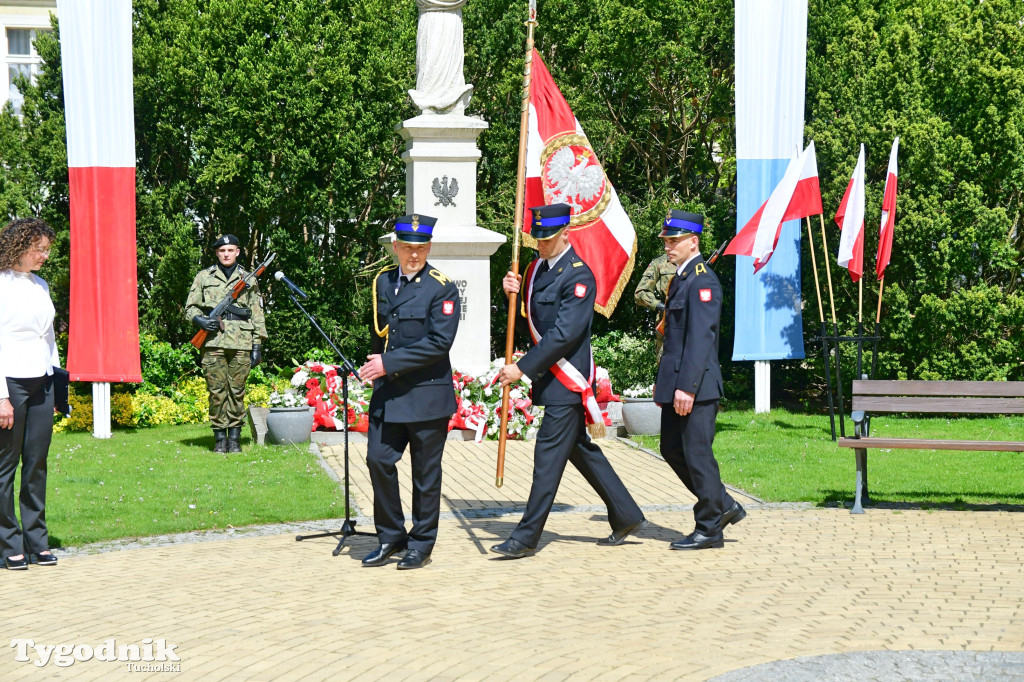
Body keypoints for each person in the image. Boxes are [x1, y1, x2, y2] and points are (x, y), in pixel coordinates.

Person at [490, 203, 646, 559]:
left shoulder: (579, 276)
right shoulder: (535, 271)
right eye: (538, 237)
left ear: (565, 234)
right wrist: (510, 290)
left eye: (547, 237)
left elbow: (563, 334)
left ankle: (526, 537)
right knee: (579, 449)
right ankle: (626, 514)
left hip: (567, 382)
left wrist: (522, 368)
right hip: (551, 380)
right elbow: (530, 314)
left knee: (546, 459)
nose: (541, 243)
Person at [358, 214, 460, 570]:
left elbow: (439, 342)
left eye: (420, 249)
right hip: (390, 395)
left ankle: (421, 544)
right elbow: (382, 335)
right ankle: (390, 536)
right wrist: (373, 365)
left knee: (425, 475)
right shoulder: (383, 282)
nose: (413, 255)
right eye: (407, 248)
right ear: (396, 248)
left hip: (427, 395)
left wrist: (389, 363)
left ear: (428, 248)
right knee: (378, 459)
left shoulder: (441, 287)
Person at [654, 209, 745, 551]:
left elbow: (700, 339)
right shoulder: (681, 278)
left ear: (694, 242)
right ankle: (722, 503)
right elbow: (676, 339)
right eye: (667, 240)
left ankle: (709, 527)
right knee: (671, 449)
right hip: (678, 382)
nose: (669, 245)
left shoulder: (702, 280)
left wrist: (686, 387)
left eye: (674, 240)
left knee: (697, 456)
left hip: (697, 386)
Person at [0, 218, 61, 570]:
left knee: (36, 465)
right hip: (9, 383)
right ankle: (8, 542)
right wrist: (1, 397)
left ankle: (37, 539)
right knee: (5, 467)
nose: (43, 255)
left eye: (46, 250)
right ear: (19, 246)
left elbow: (48, 337)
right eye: (38, 249)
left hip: (42, 383)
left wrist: (54, 384)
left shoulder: (41, 285)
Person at [185, 234, 267, 453]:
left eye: (230, 250)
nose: (226, 254)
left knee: (237, 391)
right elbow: (190, 307)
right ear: (217, 253)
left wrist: (257, 345)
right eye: (222, 251)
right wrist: (199, 319)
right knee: (217, 391)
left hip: (241, 342)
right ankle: (220, 438)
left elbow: (257, 314)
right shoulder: (204, 276)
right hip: (213, 342)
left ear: (238, 252)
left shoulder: (248, 279)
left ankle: (235, 438)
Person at [633, 252, 677, 356]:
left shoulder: (694, 263)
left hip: (691, 325)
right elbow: (640, 293)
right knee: (666, 368)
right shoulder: (660, 262)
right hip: (667, 324)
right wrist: (659, 306)